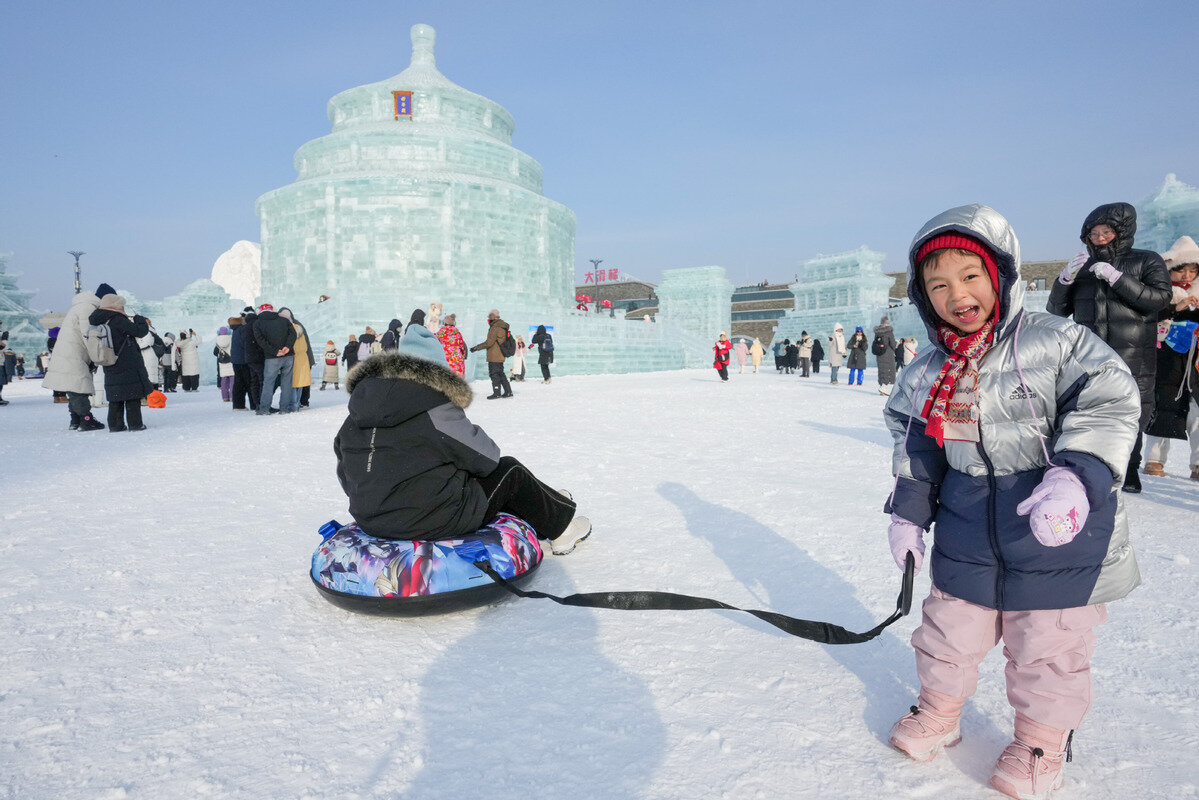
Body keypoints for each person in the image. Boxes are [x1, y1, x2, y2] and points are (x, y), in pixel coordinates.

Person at [884, 205, 1140, 799]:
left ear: (1000, 275)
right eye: (938, 285)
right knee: (948, 630)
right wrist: (908, 513)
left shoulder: (1057, 341)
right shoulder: (926, 371)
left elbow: (1108, 400)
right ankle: (940, 709)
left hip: (1053, 528)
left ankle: (1042, 739)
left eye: (970, 276)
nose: (957, 294)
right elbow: (916, 444)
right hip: (967, 527)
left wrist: (1075, 477)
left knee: (1048, 645)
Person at [334, 337, 592, 554]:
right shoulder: (434, 407)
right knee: (510, 472)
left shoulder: (354, 417)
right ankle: (562, 530)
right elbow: (488, 458)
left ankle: (551, 499)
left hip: (370, 519)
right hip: (430, 520)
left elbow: (345, 475)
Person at [1047, 202, 1172, 492]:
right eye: (1094, 234)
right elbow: (1056, 311)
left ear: (1122, 232)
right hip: (1089, 354)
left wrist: (1118, 279)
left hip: (1133, 351)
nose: (1100, 238)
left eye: (1106, 232)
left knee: (1133, 408)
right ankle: (1090, 465)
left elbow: (1159, 299)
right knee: (1087, 407)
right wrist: (1064, 281)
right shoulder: (1084, 268)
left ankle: (1130, 467)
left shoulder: (1146, 260)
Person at [1143, 236, 1199, 481]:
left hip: (1195, 362)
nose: (1187, 276)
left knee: (1197, 411)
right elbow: (1147, 316)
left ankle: (1197, 464)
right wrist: (1176, 308)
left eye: (1193, 270)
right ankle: (1154, 460)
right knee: (1163, 406)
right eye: (1181, 270)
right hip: (1167, 359)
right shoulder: (1161, 291)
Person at [42, 282, 109, 430]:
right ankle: (86, 419)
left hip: (71, 352)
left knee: (73, 387)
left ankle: (75, 420)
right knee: (79, 389)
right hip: (74, 354)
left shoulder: (81, 306)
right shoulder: (88, 308)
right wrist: (97, 356)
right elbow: (88, 335)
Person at [88, 294, 152, 431]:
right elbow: (139, 332)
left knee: (115, 395)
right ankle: (135, 424)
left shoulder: (98, 320)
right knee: (132, 394)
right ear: (115, 306)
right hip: (126, 361)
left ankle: (115, 425)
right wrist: (140, 320)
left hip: (110, 360)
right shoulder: (117, 319)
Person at [253, 303, 296, 415]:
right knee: (287, 383)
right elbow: (293, 334)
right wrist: (287, 347)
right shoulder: (284, 320)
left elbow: (260, 340)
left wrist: (275, 351)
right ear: (273, 310)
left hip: (272, 357)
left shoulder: (257, 323)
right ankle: (284, 409)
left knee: (268, 383)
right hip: (288, 355)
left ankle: (264, 409)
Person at [469, 309, 513, 399]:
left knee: (494, 374)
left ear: (492, 316)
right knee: (500, 373)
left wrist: (476, 348)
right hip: (500, 355)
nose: (488, 319)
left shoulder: (495, 327)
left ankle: (497, 393)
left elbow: (489, 343)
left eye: (489, 317)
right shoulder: (501, 326)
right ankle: (508, 391)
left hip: (494, 356)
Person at [280, 308, 312, 411]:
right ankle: (298, 403)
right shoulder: (299, 328)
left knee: (292, 383)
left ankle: (293, 405)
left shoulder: (288, 330)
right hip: (302, 359)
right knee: (299, 383)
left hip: (292, 358)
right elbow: (305, 346)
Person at [228, 313, 255, 411]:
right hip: (244, 360)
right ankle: (254, 404)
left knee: (238, 383)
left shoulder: (235, 330)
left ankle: (238, 405)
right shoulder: (242, 329)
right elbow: (246, 344)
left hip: (236, 360)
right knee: (250, 382)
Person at [241, 305, 265, 410]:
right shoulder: (257, 325)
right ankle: (262, 403)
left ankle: (256, 404)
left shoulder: (244, 327)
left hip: (249, 358)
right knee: (262, 380)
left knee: (254, 381)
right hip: (259, 357)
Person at [873, 315, 899, 395]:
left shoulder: (877, 332)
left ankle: (882, 385)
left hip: (880, 353)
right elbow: (893, 344)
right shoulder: (889, 331)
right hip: (888, 354)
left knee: (882, 369)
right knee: (889, 369)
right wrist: (896, 344)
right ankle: (884, 387)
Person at [213, 326, 234, 401]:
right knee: (232, 380)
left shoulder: (217, 340)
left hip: (222, 363)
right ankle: (232, 396)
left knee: (224, 381)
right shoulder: (231, 338)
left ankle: (225, 397)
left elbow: (215, 352)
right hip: (231, 361)